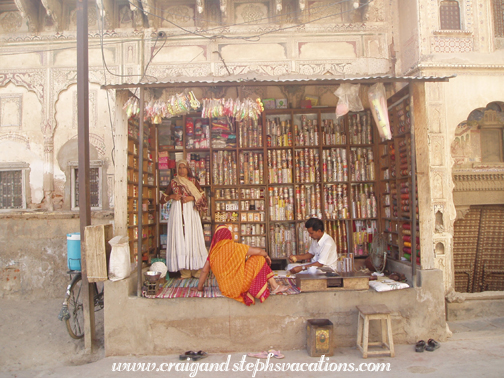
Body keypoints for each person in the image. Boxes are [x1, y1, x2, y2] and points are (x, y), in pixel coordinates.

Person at [196, 225, 288, 305]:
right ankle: (274, 286)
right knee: (259, 258)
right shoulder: (235, 247)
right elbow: (260, 252)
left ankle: (274, 286)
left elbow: (204, 271)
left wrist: (199, 288)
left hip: (225, 290)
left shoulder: (213, 253)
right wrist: (266, 256)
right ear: (229, 236)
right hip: (239, 286)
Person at [161, 159, 208, 279]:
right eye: (180, 168)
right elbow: (162, 199)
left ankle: (197, 271)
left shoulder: (193, 181)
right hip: (177, 213)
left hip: (191, 213)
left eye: (184, 167)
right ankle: (185, 272)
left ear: (188, 169)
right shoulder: (173, 182)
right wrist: (172, 196)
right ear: (177, 169)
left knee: (193, 238)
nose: (182, 170)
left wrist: (191, 198)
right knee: (181, 239)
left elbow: (202, 197)